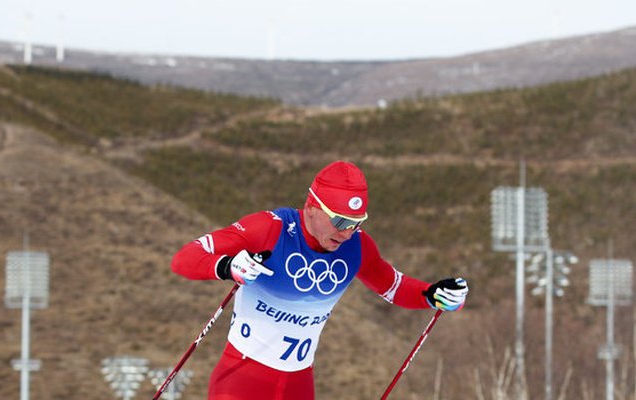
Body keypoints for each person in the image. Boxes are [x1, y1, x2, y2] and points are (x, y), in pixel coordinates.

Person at [171, 160, 468, 400]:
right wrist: (227, 266)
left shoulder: (356, 247)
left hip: (298, 384)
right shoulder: (269, 229)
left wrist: (432, 294)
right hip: (241, 381)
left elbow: (392, 286)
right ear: (312, 208)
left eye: (356, 223)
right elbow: (184, 258)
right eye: (340, 221)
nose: (347, 232)